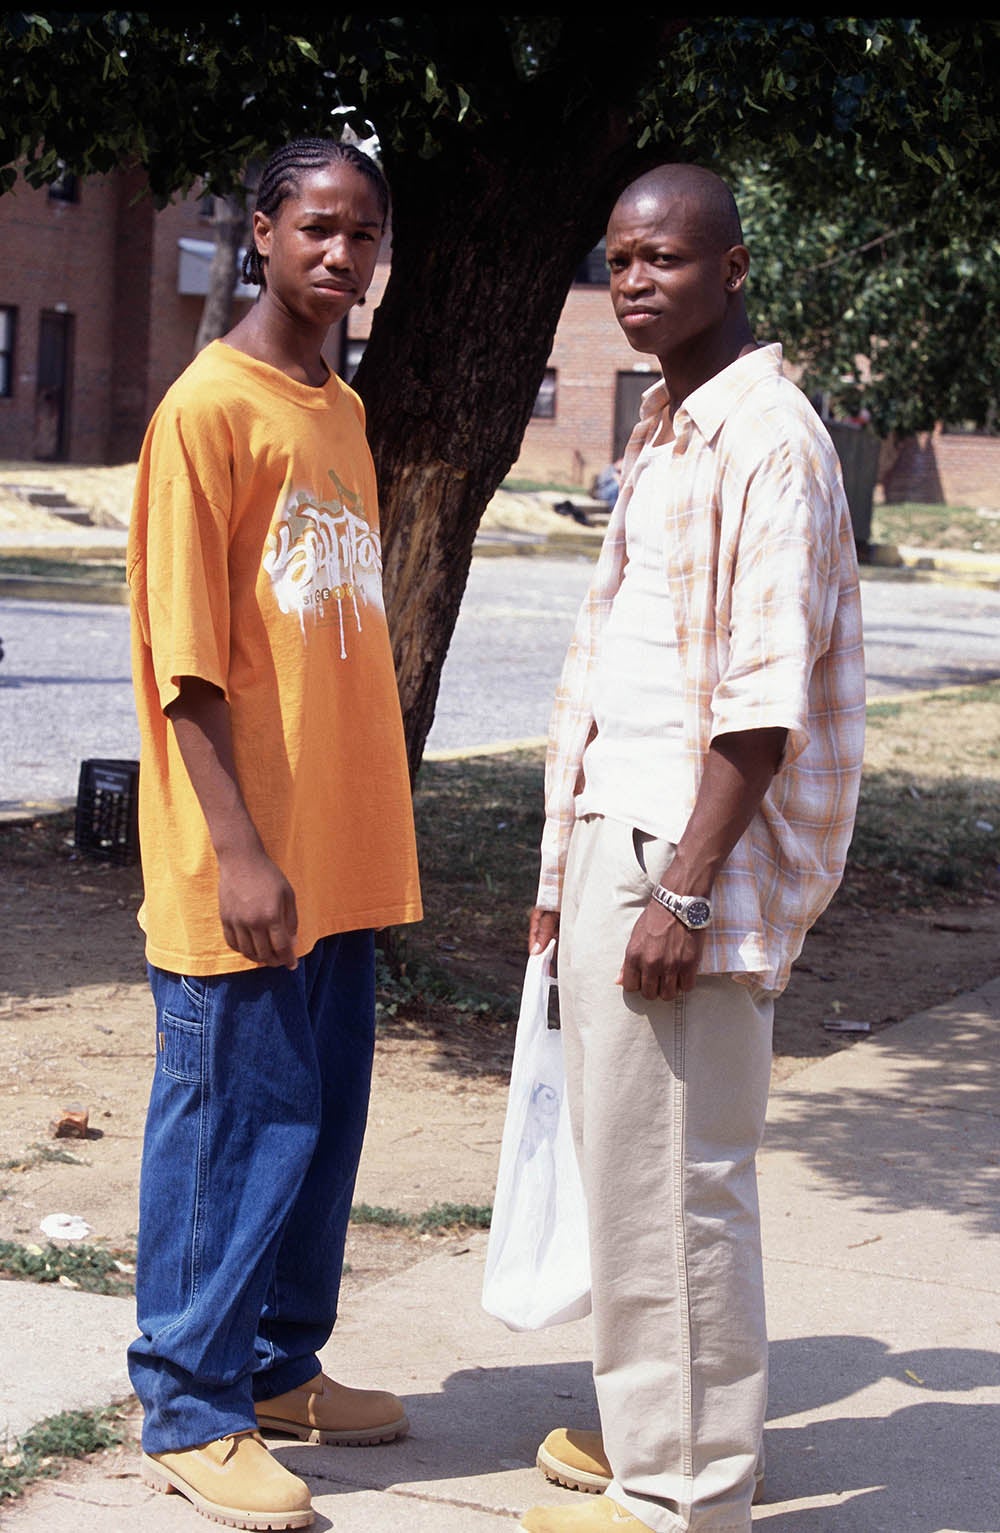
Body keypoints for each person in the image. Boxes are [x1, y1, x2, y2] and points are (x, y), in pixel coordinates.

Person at [520, 164, 866, 1533]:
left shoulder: (766, 437)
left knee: (681, 1181)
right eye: (617, 260)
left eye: (664, 255)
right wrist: (568, 876)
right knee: (637, 1166)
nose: (636, 280)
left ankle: (684, 1496)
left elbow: (761, 701)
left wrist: (682, 883)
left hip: (685, 849)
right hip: (628, 828)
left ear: (731, 268)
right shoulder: (673, 429)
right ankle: (661, 1438)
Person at [126, 137, 422, 1531]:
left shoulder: (342, 412)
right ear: (259, 234)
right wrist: (240, 849)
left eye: (364, 233)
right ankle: (189, 1403)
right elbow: (181, 661)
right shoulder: (207, 408)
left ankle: (279, 1367)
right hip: (241, 858)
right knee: (236, 1123)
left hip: (342, 854)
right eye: (317, 227)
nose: (343, 256)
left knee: (320, 1127)